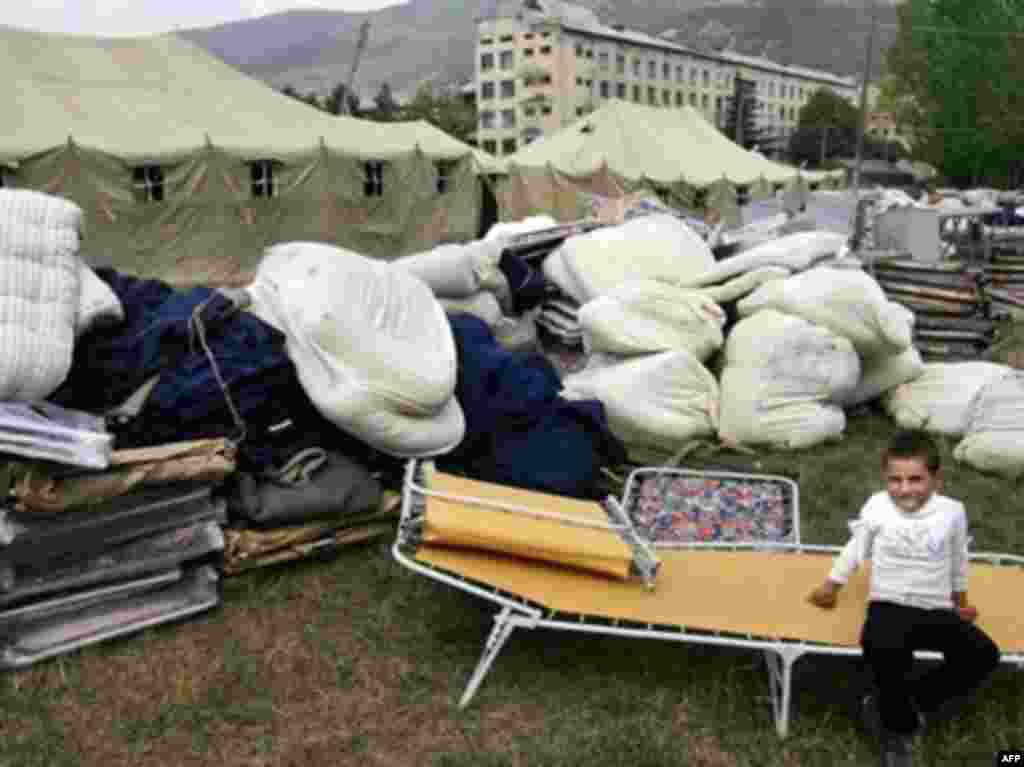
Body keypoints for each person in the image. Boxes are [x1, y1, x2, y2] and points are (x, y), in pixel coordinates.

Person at [807, 430, 1000, 767]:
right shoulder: (878, 506)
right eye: (895, 480)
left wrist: (961, 600)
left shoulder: (953, 512)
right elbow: (856, 550)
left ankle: (901, 703)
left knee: (983, 655)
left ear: (936, 479)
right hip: (889, 604)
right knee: (883, 649)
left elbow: (957, 560)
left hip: (935, 608)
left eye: (915, 479)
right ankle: (900, 732)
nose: (905, 488)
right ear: (885, 479)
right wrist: (831, 586)